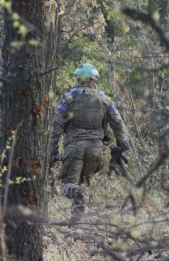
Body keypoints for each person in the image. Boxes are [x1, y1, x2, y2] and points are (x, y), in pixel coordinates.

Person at [49, 63, 130, 223]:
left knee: (68, 185)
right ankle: (76, 221)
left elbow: (56, 125)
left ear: (78, 79)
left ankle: (75, 199)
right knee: (83, 186)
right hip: (96, 150)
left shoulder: (68, 98)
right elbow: (118, 123)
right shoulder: (105, 100)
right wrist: (122, 143)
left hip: (74, 147)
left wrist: (52, 150)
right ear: (95, 80)